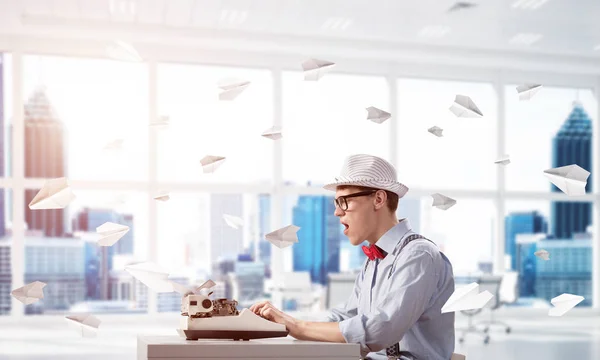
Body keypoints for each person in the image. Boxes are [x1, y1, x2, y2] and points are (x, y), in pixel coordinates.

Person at [250, 154, 455, 360]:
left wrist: (298, 327)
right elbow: (347, 316)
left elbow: (379, 330)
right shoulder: (374, 260)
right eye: (336, 203)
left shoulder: (418, 255)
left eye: (344, 201)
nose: (337, 212)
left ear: (378, 199)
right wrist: (283, 321)